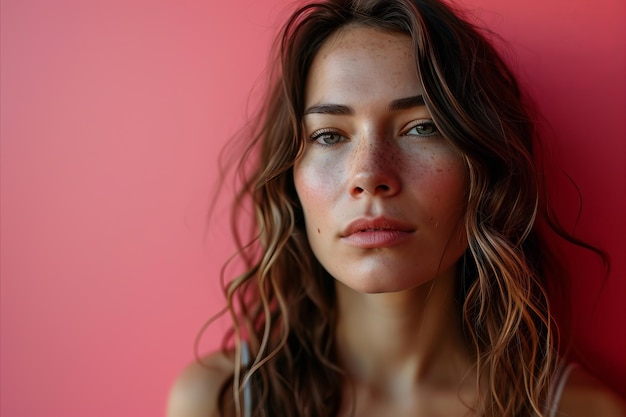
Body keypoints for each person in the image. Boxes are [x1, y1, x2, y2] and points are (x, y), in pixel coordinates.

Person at [168, 0, 626, 416]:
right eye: (329, 135)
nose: (369, 174)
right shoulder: (220, 402)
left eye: (421, 128)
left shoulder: (582, 411)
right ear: (291, 179)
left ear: (484, 169)